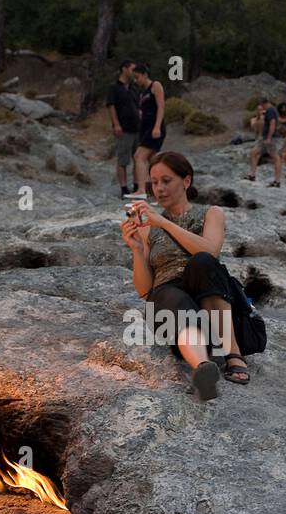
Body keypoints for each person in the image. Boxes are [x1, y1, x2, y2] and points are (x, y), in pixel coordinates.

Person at [120, 151, 248, 400]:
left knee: (203, 262)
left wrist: (165, 223)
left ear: (186, 181)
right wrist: (136, 249)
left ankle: (233, 353)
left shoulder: (211, 213)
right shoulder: (148, 230)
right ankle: (203, 369)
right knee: (170, 296)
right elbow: (145, 290)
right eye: (154, 183)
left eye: (166, 181)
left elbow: (210, 250)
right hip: (170, 300)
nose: (159, 188)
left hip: (208, 293)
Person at [128, 65, 166, 198]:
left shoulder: (155, 86)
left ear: (145, 75)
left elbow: (161, 107)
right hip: (145, 128)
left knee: (139, 156)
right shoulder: (143, 93)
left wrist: (157, 126)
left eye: (137, 77)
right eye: (134, 78)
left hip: (154, 127)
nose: (135, 80)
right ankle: (158, 193)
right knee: (154, 161)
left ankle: (141, 190)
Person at [105, 59, 140, 199]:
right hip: (123, 129)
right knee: (123, 159)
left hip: (137, 128)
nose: (135, 73)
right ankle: (124, 188)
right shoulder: (114, 88)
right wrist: (116, 124)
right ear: (124, 69)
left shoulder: (134, 88)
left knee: (138, 159)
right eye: (132, 69)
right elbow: (111, 106)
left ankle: (137, 186)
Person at [246, 96, 281, 186]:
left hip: (271, 138)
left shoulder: (271, 111)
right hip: (264, 137)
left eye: (262, 106)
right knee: (253, 153)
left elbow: (272, 124)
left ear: (264, 104)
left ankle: (277, 181)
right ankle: (252, 175)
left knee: (275, 157)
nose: (262, 108)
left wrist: (269, 138)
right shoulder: (270, 111)